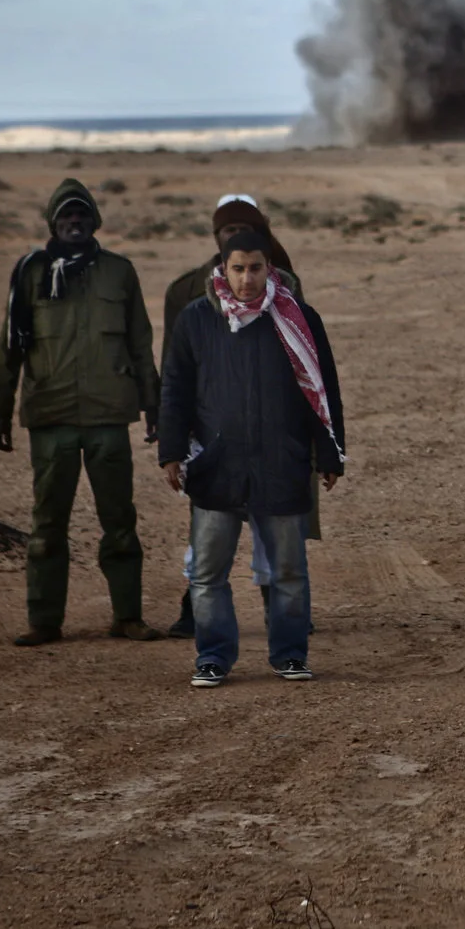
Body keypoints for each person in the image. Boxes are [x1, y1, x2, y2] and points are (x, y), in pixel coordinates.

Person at [0, 177, 165, 646]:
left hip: (108, 416)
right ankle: (44, 621)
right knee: (47, 524)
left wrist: (153, 404)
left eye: (82, 214)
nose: (75, 222)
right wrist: (0, 408)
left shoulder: (119, 272)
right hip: (52, 415)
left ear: (94, 221)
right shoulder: (32, 273)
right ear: (53, 223)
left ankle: (127, 616)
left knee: (119, 521)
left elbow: (140, 342)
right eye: (66, 215)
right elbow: (10, 345)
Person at [157, 228, 345, 688]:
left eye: (255, 268)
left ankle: (290, 654)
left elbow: (322, 387)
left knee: (288, 571)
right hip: (217, 465)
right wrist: (171, 451)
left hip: (281, 462)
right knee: (207, 574)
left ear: (269, 268)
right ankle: (213, 657)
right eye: (237, 269)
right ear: (222, 268)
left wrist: (329, 452)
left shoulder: (298, 317)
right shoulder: (197, 319)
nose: (246, 279)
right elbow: (175, 389)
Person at [160, 195, 310, 641]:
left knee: (275, 530)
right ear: (216, 239)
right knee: (209, 530)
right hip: (212, 428)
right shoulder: (186, 291)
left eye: (247, 230)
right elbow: (175, 368)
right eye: (228, 231)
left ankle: (280, 613)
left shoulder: (286, 288)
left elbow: (305, 363)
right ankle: (195, 611)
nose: (237, 237)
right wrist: (172, 434)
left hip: (274, 432)